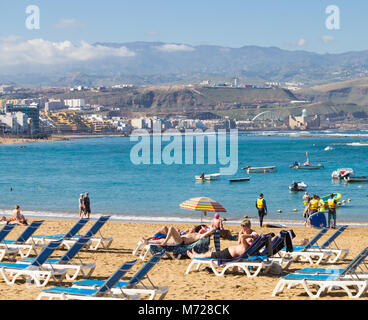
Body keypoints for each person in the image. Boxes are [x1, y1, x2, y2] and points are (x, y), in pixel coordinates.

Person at [186, 219, 258, 260]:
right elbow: (239, 243)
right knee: (212, 254)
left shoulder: (253, 234)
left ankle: (195, 256)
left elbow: (253, 236)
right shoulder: (243, 234)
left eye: (244, 226)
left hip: (231, 253)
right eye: (242, 226)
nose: (242, 228)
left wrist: (244, 235)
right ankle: (197, 255)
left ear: (248, 226)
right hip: (230, 251)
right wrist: (240, 234)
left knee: (211, 254)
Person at [143, 226, 215, 246]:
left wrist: (210, 231)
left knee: (171, 228)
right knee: (160, 240)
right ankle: (147, 242)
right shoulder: (194, 233)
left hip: (181, 241)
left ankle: (165, 242)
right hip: (179, 239)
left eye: (204, 230)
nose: (203, 230)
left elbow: (204, 234)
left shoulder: (198, 236)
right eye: (202, 229)